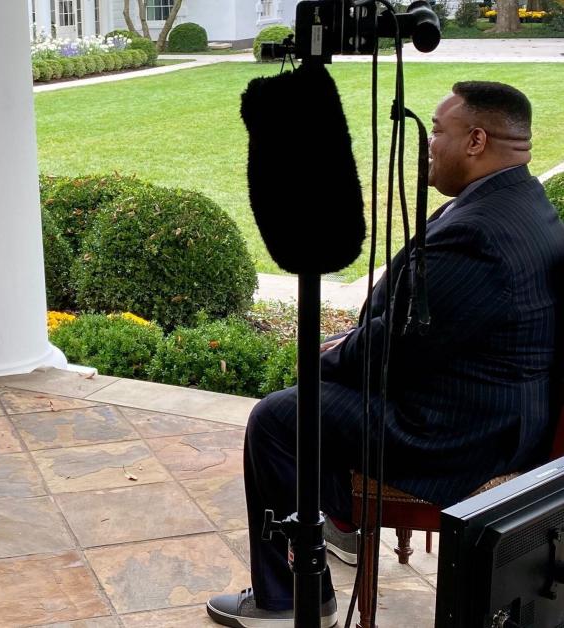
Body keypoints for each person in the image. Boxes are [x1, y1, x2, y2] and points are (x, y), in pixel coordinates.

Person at [207, 81, 564, 627]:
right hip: (490, 406)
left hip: (461, 435)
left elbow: (389, 355)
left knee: (280, 417)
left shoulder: (481, 237)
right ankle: (339, 524)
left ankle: (286, 601)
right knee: (322, 400)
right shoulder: (521, 200)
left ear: (475, 140)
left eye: (436, 133)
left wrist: (324, 357)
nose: (428, 145)